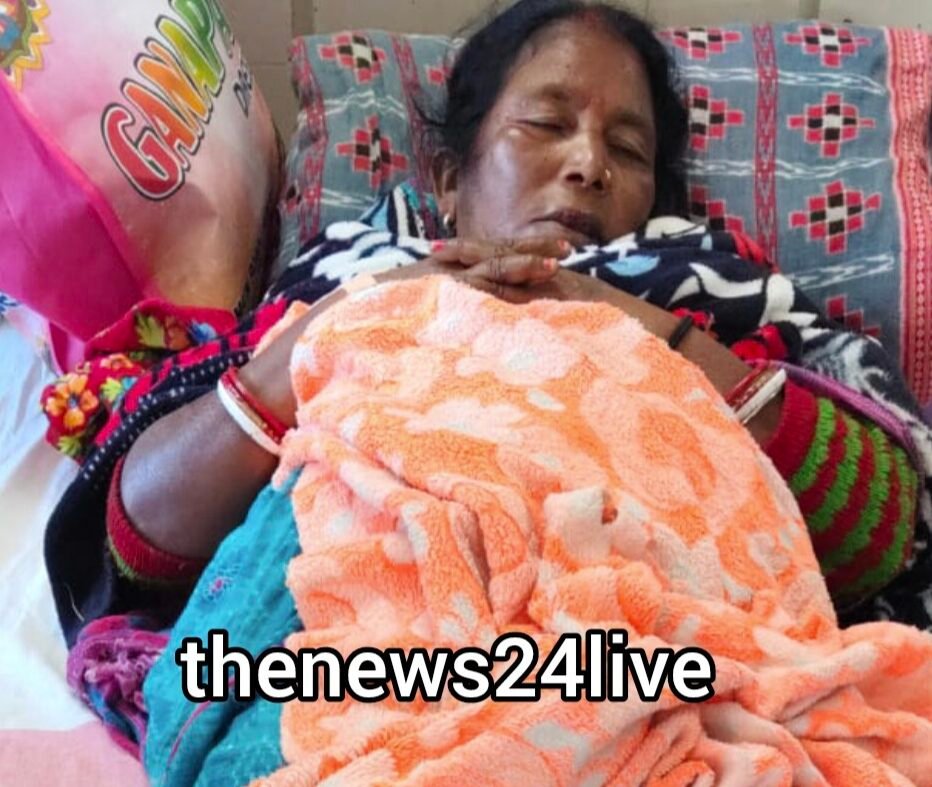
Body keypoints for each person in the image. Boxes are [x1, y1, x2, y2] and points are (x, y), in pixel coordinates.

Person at [43, 0, 930, 659]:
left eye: (627, 151)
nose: (587, 162)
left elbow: (880, 535)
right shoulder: (345, 283)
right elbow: (140, 539)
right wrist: (368, 314)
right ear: (448, 181)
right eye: (546, 124)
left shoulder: (714, 295)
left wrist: (623, 319)